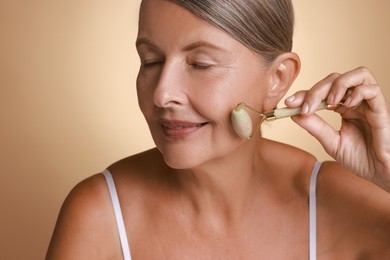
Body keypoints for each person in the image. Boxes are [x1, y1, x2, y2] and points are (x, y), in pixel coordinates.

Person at [46, 0, 390, 259]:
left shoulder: (346, 202)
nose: (162, 93)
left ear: (278, 79)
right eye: (150, 61)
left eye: (200, 64)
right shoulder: (98, 216)